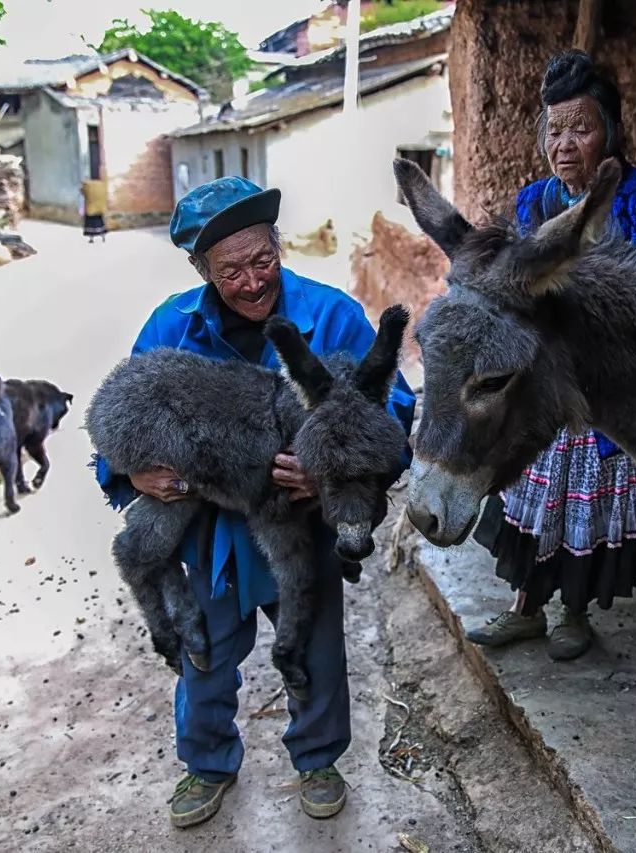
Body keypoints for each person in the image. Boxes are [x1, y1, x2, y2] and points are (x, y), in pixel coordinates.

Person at [93, 176, 416, 827]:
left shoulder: (331, 317)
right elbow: (125, 412)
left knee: (318, 647)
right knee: (204, 655)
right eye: (230, 271)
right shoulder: (171, 327)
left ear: (279, 244)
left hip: (299, 524)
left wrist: (328, 474)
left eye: (262, 260)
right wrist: (133, 475)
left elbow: (397, 415)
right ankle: (207, 762)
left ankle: (318, 758)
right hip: (209, 531)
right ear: (204, 272)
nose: (250, 282)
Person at [467, 50, 636, 660]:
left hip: (608, 396)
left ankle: (573, 613)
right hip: (549, 382)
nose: (565, 144)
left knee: (583, 505)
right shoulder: (534, 201)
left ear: (609, 132)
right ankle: (525, 610)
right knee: (533, 499)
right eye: (554, 130)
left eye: (580, 128)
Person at [81, 177, 108, 243]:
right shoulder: (101, 185)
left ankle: (91, 238)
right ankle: (103, 236)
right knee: (100, 221)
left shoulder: (88, 185)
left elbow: (82, 192)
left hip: (91, 208)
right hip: (100, 207)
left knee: (90, 223)